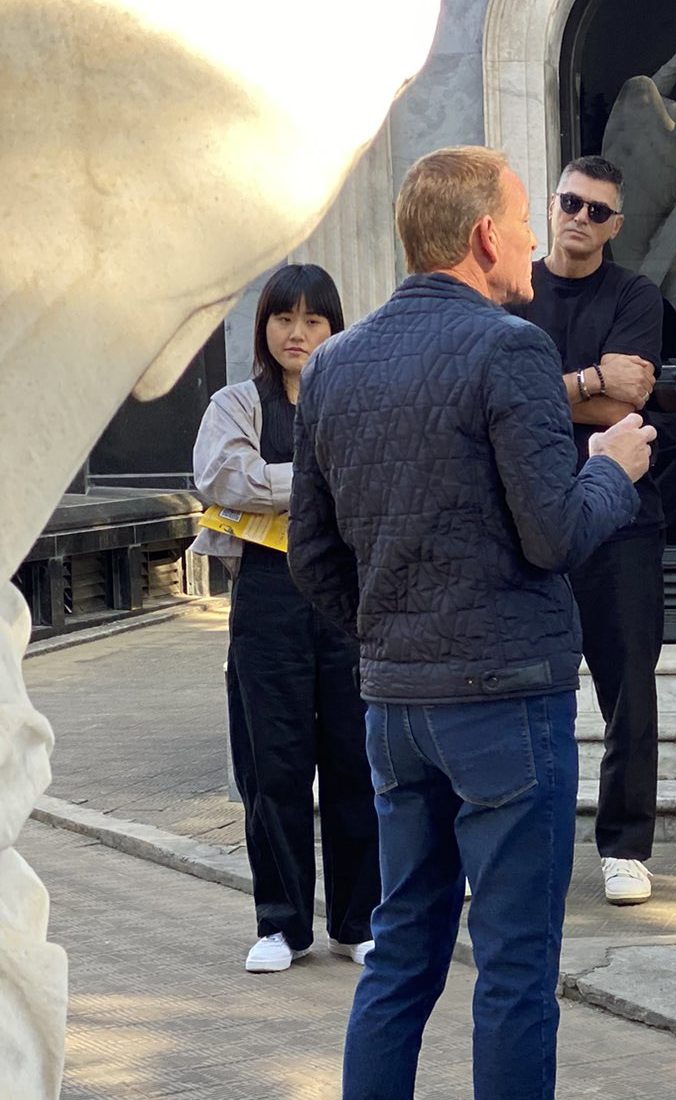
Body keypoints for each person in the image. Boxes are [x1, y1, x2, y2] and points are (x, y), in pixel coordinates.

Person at [286, 146, 654, 1100]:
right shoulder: (512, 347)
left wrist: (387, 636)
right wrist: (612, 465)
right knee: (515, 968)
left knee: (402, 950)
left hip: (396, 706)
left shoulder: (332, 363)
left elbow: (313, 559)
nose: (537, 236)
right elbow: (555, 533)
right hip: (506, 706)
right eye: (528, 217)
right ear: (487, 235)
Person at [190, 262, 380, 974]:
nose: (297, 334)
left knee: (356, 763)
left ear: (335, 328)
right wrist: (319, 478)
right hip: (266, 598)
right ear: (263, 325)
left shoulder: (357, 397)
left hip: (348, 599)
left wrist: (278, 485)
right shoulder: (235, 403)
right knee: (272, 766)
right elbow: (223, 476)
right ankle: (281, 924)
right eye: (283, 319)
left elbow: (372, 477)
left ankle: (359, 922)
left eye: (314, 321)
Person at [507, 155, 666, 906]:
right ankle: (505, 845)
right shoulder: (512, 294)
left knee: (628, 681)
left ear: (617, 225)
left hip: (621, 519)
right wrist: (592, 380)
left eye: (599, 210)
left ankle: (626, 845)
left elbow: (624, 412)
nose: (581, 217)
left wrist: (555, 394)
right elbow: (499, 405)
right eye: (572, 201)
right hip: (521, 513)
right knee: (511, 686)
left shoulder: (637, 296)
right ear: (551, 202)